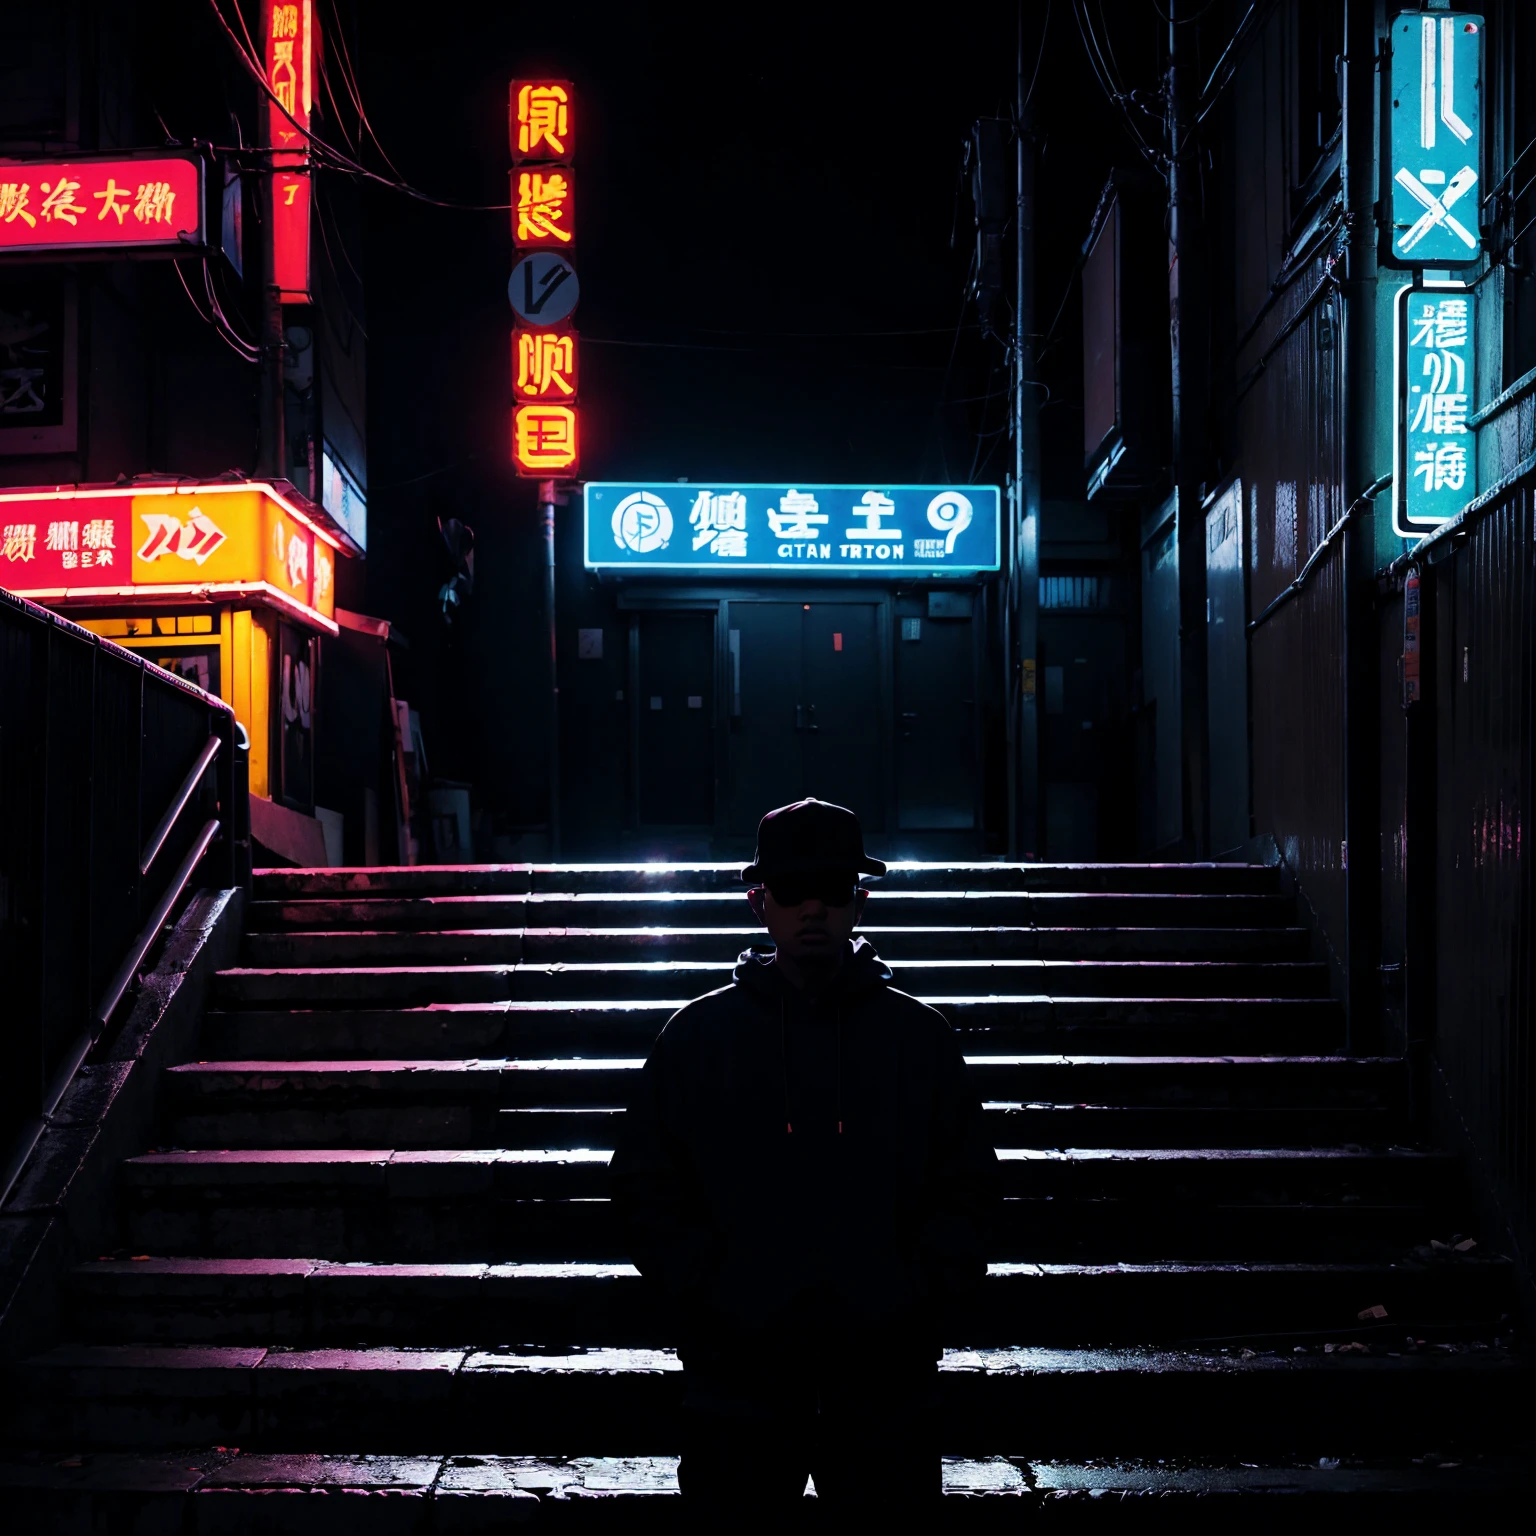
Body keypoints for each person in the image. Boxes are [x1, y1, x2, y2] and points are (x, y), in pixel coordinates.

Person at [610, 797, 999, 1515]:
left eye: (833, 888)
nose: (813, 908)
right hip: (741, 1381)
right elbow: (645, 1187)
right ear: (760, 901)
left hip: (884, 1382)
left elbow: (968, 1185)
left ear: (861, 899)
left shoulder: (921, 1040)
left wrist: (910, 1295)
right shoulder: (697, 1040)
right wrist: (716, 1298)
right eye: (793, 889)